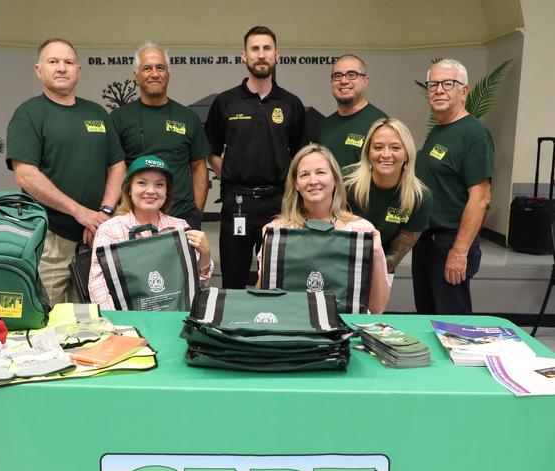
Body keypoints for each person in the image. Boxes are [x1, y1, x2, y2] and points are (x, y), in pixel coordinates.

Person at [7, 38, 124, 306]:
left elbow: (117, 165)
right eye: (53, 61)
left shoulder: (96, 112)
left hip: (97, 236)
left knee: (93, 316)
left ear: (78, 71)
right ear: (38, 70)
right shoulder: (29, 114)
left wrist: (103, 214)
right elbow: (26, 174)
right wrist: (79, 212)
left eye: (68, 62)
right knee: (47, 314)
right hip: (51, 238)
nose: (62, 68)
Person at [205, 25, 307, 289]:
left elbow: (300, 157)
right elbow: (211, 150)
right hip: (236, 203)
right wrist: (227, 172)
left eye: (267, 48)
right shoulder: (225, 102)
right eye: (255, 49)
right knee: (233, 282)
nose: (261, 55)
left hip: (278, 204)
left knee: (276, 280)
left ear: (276, 54)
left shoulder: (291, 103)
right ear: (244, 55)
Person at [258, 143, 390, 313]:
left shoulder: (360, 229)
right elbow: (265, 299)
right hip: (293, 328)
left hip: (343, 331)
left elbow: (377, 308)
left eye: (320, 172)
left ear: (335, 179)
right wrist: (270, 254)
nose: (313, 181)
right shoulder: (280, 230)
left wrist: (377, 254)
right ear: (296, 184)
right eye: (304, 174)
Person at [412, 58, 494, 315]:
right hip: (426, 243)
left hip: (450, 243)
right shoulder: (439, 131)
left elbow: (480, 198)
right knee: (427, 319)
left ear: (464, 91)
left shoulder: (474, 133)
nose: (438, 89)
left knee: (453, 327)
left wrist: (459, 252)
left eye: (448, 83)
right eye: (433, 84)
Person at [88, 156, 213, 310]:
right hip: (129, 324)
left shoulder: (180, 227)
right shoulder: (110, 230)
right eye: (141, 183)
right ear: (129, 188)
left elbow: (196, 286)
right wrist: (122, 325)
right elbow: (98, 288)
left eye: (159, 184)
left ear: (167, 191)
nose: (151, 191)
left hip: (174, 321)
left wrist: (205, 254)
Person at [110, 42, 210, 230]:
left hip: (182, 217)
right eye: (147, 68)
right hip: (134, 221)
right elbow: (113, 169)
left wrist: (196, 213)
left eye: (160, 68)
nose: (154, 73)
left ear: (168, 74)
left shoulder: (188, 117)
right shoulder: (119, 118)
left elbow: (198, 167)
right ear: (136, 76)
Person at [343, 117, 431, 275]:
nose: (386, 154)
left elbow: (392, 258)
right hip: (335, 261)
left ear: (407, 154)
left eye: (395, 148)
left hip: (378, 268)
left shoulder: (419, 198)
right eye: (378, 147)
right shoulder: (345, 182)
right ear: (368, 152)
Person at [315, 54, 388, 169]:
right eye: (337, 76)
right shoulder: (324, 126)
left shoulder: (381, 124)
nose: (344, 81)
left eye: (351, 75)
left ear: (365, 80)